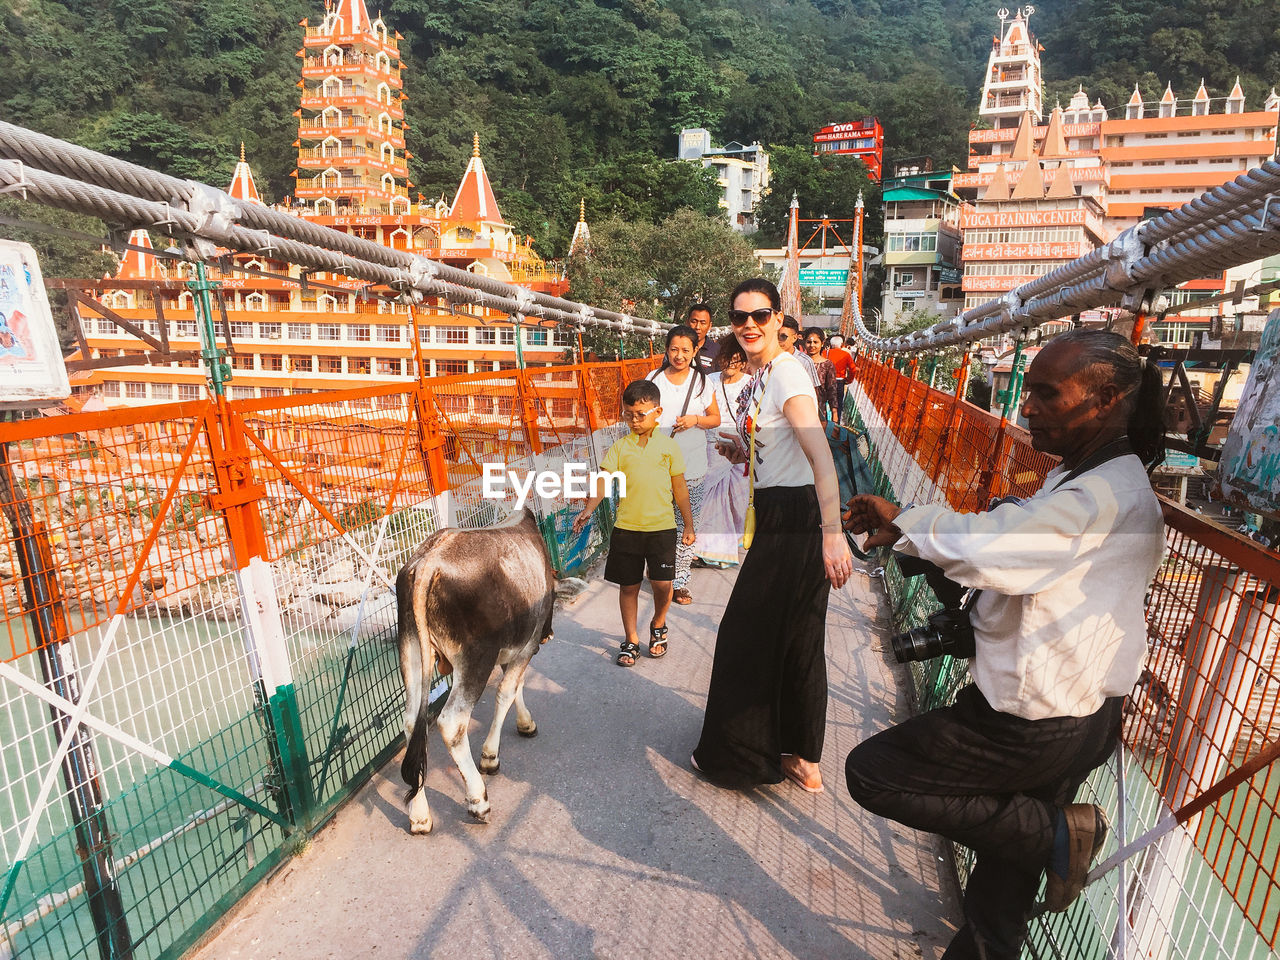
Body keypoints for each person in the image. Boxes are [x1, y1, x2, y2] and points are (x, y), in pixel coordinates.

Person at [841, 330, 1167, 960]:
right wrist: (909, 534)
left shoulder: (1102, 496)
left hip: (1029, 721)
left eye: (1047, 394)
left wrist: (909, 520)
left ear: (1104, 400)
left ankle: (1056, 834)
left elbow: (1005, 550)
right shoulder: (1092, 476)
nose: (1027, 407)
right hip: (1082, 713)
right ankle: (1035, 851)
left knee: (874, 773)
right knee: (999, 898)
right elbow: (1016, 539)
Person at [692, 278, 853, 794]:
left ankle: (741, 757)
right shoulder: (765, 376)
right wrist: (744, 453)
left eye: (760, 316)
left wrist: (832, 535)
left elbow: (820, 455)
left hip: (797, 519)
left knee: (745, 636)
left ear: (779, 320)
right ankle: (804, 759)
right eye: (739, 318)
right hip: (783, 512)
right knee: (797, 638)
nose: (749, 326)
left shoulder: (786, 375)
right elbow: (781, 451)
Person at [572, 379, 696, 667]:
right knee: (628, 586)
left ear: (657, 412)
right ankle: (630, 638)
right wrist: (589, 509)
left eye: (641, 414)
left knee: (662, 584)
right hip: (627, 529)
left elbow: (680, 489)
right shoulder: (619, 447)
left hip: (662, 528)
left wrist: (688, 525)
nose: (634, 421)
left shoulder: (668, 448)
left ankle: (658, 624)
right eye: (628, 414)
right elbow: (603, 481)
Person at [647, 325, 720, 605]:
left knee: (687, 525)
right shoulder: (653, 378)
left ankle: (679, 582)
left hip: (692, 465)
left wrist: (695, 420)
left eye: (685, 350)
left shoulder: (703, 382)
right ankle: (659, 573)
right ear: (666, 349)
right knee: (657, 524)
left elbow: (714, 417)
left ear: (695, 351)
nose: (679, 356)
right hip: (657, 465)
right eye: (674, 349)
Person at [693, 339, 750, 568]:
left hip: (739, 444)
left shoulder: (751, 383)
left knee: (737, 498)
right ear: (720, 359)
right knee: (709, 494)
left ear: (743, 363)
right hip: (712, 442)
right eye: (727, 358)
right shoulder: (709, 381)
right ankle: (707, 549)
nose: (731, 364)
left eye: (737, 360)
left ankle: (731, 540)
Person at [802, 327, 840, 422]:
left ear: (822, 343)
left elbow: (832, 389)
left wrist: (834, 413)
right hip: (800, 409)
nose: (812, 345)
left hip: (819, 409)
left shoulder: (827, 365)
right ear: (804, 342)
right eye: (808, 342)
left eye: (815, 342)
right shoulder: (798, 362)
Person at [779, 315, 820, 389]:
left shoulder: (805, 362)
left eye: (783, 337)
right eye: (775, 336)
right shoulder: (766, 359)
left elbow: (813, 391)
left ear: (794, 338)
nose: (778, 340)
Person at [824, 333, 855, 418]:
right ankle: (836, 425)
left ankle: (824, 422)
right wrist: (849, 379)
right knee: (838, 404)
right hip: (839, 381)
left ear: (831, 344)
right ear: (842, 344)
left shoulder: (824, 353)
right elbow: (853, 369)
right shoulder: (846, 355)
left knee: (824, 402)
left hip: (826, 381)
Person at [687, 302, 720, 372]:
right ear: (687, 322)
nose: (697, 327)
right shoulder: (678, 347)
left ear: (710, 326)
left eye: (703, 323)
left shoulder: (717, 351)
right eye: (694, 321)